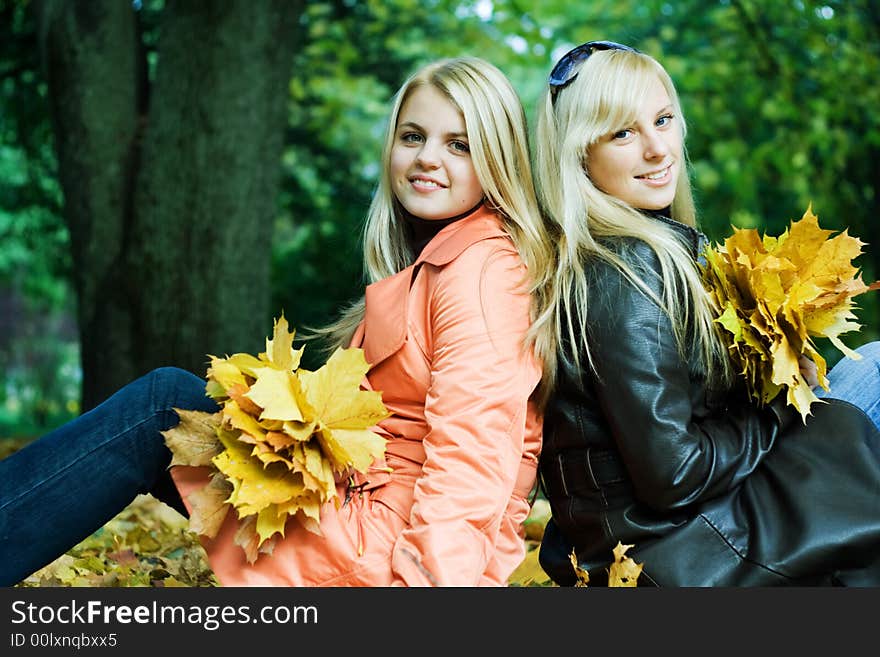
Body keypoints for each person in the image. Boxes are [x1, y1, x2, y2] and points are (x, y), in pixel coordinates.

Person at [0, 56, 554, 587]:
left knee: (160, 409)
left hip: (388, 554)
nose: (428, 158)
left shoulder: (484, 270)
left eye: (459, 145)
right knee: (176, 409)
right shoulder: (443, 259)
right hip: (356, 513)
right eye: (413, 137)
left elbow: (474, 458)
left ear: (497, 160)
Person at [528, 40, 880, 586]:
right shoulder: (626, 273)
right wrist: (782, 409)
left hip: (664, 538)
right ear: (579, 154)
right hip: (690, 551)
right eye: (622, 133)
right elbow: (673, 473)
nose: (656, 149)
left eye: (663, 119)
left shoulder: (619, 255)